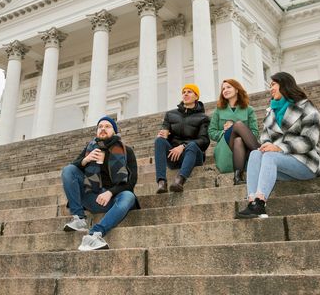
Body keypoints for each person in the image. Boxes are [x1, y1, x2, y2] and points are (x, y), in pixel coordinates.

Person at [236, 72, 320, 219]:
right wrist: (267, 144)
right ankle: (252, 202)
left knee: (270, 156)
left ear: (284, 84)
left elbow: (309, 140)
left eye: (273, 85)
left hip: (306, 162)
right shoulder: (271, 112)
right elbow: (265, 137)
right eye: (270, 86)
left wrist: (280, 147)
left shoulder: (307, 107)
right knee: (255, 153)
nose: (270, 89)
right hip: (281, 163)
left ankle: (260, 203)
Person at [61, 116, 139, 250]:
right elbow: (71, 171)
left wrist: (110, 192)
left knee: (129, 196)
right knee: (68, 170)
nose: (103, 129)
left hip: (113, 200)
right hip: (92, 197)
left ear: (114, 131)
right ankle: (79, 219)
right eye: (100, 127)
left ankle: (94, 235)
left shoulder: (126, 151)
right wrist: (85, 160)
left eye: (107, 126)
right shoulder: (90, 148)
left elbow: (131, 182)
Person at [154, 84, 210, 193]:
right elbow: (165, 131)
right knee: (159, 141)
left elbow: (204, 141)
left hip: (193, 156)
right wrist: (164, 135)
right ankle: (161, 182)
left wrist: (183, 146)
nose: (185, 94)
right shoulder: (170, 115)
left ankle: (179, 180)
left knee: (193, 145)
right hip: (175, 156)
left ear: (196, 96)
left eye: (189, 92)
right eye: (184, 92)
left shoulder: (203, 118)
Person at [208, 79, 259, 184]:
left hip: (244, 146)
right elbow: (211, 132)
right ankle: (260, 151)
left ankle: (237, 176)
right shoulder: (218, 110)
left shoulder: (249, 110)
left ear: (237, 89)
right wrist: (225, 130)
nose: (225, 90)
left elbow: (255, 132)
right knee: (239, 124)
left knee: (239, 139)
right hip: (225, 146)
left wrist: (240, 132)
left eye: (228, 87)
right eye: (223, 89)